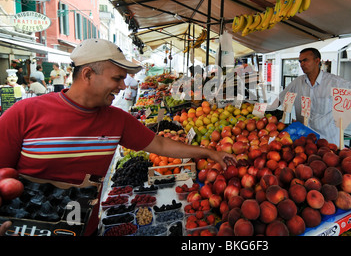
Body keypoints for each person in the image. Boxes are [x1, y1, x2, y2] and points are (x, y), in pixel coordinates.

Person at [0, 38, 236, 236]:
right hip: (26, 228)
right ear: (88, 74)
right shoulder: (24, 113)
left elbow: (160, 144)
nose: (124, 86)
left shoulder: (117, 120)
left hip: (85, 229)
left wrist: (209, 152)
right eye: (117, 78)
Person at [270, 47, 351, 146]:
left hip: (327, 141)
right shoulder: (298, 82)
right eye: (300, 61)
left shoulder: (335, 82)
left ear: (317, 61)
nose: (302, 64)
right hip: (303, 139)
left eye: (305, 60)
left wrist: (348, 113)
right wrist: (264, 110)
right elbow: (280, 98)